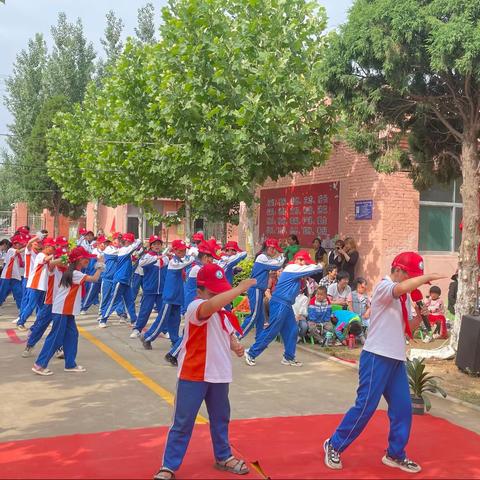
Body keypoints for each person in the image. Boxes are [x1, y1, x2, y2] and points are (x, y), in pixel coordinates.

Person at [323, 251, 444, 474]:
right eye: (412, 275)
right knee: (366, 406)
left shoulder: (405, 297)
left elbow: (406, 326)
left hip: (396, 358)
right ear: (397, 270)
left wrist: (419, 316)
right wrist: (426, 279)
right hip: (376, 356)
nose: (413, 281)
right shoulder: (384, 287)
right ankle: (334, 444)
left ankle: (395, 454)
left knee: (402, 409)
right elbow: (398, 289)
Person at [152, 264, 254, 480]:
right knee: (183, 421)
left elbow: (228, 334)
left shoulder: (223, 314)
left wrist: (236, 345)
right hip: (194, 374)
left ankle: (224, 456)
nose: (219, 297)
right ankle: (168, 466)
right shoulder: (196, 307)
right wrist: (237, 290)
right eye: (213, 293)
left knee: (220, 418)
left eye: (221, 291)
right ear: (199, 291)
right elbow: (210, 307)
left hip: (219, 375)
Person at [32, 247, 104, 376]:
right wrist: (100, 266)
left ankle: (70, 364)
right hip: (62, 310)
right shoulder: (74, 273)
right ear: (78, 260)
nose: (88, 260)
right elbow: (94, 279)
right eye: (85, 258)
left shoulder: (72, 271)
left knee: (72, 335)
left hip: (67, 310)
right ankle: (40, 365)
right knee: (55, 338)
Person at [245, 250, 323, 367]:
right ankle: (251, 353)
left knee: (293, 330)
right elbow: (314, 269)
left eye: (304, 261)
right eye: (300, 260)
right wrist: (321, 264)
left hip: (285, 305)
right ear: (295, 260)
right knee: (272, 331)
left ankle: (288, 357)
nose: (302, 263)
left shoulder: (296, 271)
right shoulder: (292, 268)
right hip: (280, 303)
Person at [140, 239, 195, 350]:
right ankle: (147, 337)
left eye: (184, 250)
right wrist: (192, 257)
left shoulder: (178, 260)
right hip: (170, 296)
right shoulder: (173, 262)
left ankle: (175, 340)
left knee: (175, 320)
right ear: (175, 251)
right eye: (181, 251)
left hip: (177, 296)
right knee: (162, 320)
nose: (183, 252)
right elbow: (186, 262)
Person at [239, 238, 284, 340]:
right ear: (268, 247)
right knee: (254, 315)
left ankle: (259, 338)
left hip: (258, 289)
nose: (274, 251)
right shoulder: (262, 257)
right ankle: (237, 336)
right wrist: (282, 255)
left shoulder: (264, 257)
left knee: (260, 316)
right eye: (273, 249)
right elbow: (277, 265)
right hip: (256, 288)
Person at [99, 232, 141, 327]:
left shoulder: (127, 251)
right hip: (120, 280)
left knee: (130, 301)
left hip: (126, 280)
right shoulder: (123, 250)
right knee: (113, 300)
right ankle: (103, 319)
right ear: (125, 241)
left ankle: (134, 320)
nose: (129, 243)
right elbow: (137, 243)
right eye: (128, 241)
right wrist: (136, 241)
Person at [130, 235, 168, 339]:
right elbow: (142, 263)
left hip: (162, 290)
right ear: (151, 246)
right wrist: (156, 258)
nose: (157, 246)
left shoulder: (165, 258)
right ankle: (137, 329)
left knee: (163, 311)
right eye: (154, 244)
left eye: (159, 244)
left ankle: (165, 330)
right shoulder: (147, 256)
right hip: (150, 289)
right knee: (145, 310)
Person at [17, 237, 57, 331]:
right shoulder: (40, 255)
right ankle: (21, 322)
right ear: (47, 247)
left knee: (41, 307)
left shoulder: (46, 255)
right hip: (35, 284)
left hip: (42, 286)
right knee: (31, 305)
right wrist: (56, 254)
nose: (54, 250)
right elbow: (46, 259)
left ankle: (37, 324)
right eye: (53, 247)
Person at [0, 234, 27, 315]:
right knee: (1, 294)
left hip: (15, 277)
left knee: (19, 294)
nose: (21, 245)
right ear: (15, 244)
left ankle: (21, 311)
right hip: (7, 276)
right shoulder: (11, 250)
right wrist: (28, 246)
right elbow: (18, 251)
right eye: (19, 243)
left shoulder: (18, 254)